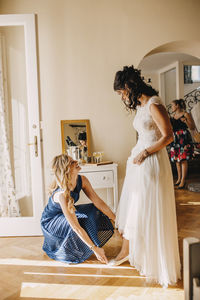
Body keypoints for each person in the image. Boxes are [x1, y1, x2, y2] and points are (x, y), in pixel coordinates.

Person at [111, 65, 181, 287]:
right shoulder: (142, 105)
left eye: (122, 92)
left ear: (130, 86)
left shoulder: (154, 103)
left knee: (147, 209)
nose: (122, 97)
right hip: (139, 161)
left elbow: (168, 136)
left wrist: (145, 152)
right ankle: (130, 253)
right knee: (135, 209)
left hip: (151, 161)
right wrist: (137, 153)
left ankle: (150, 259)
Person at [41, 154, 115, 264]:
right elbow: (75, 227)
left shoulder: (82, 180)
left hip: (66, 214)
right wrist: (94, 249)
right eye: (72, 162)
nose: (76, 161)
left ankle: (87, 244)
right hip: (51, 222)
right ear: (66, 170)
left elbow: (98, 202)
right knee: (78, 220)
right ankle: (81, 248)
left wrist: (117, 221)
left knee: (92, 209)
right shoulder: (61, 194)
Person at [169, 99, 195, 189]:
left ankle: (183, 181)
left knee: (183, 159)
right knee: (177, 160)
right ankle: (179, 179)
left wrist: (186, 121)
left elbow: (192, 127)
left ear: (177, 106)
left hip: (183, 138)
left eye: (172, 105)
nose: (171, 107)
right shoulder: (172, 116)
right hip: (175, 138)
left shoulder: (185, 114)